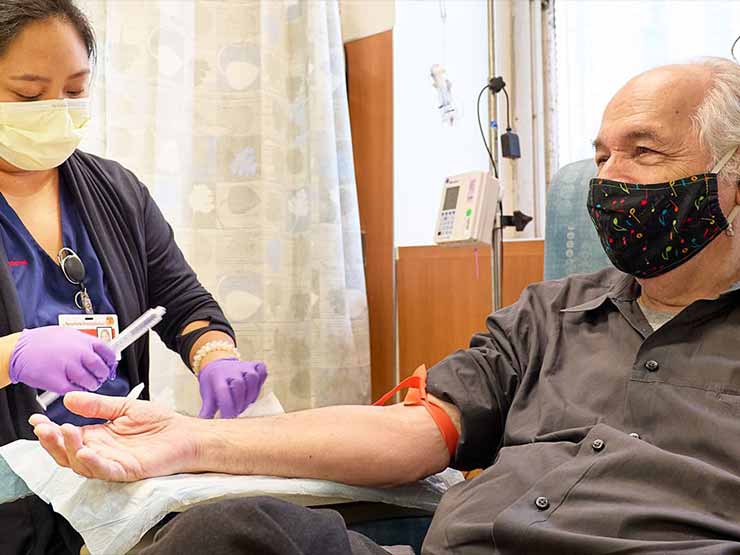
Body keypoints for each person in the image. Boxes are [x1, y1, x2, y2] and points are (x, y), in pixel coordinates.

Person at [29, 59, 740, 553]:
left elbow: (185, 298)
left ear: (730, 179)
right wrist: (188, 438)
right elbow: (413, 431)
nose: (606, 181)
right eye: (600, 154)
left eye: (643, 153)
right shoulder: (548, 315)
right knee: (228, 533)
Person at [0, 1, 267, 553]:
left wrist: (215, 356)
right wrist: (14, 356)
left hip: (116, 474)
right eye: (29, 95)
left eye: (74, 90)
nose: (56, 109)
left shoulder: (115, 193)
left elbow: (184, 300)